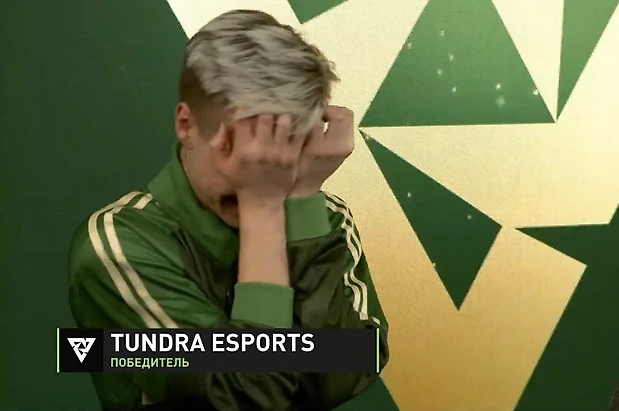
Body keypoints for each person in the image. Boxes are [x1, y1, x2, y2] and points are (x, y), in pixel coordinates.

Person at [68, 9, 389, 411]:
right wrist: (263, 208)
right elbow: (247, 396)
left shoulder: (326, 217)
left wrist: (303, 204)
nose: (261, 174)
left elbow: (341, 376)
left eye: (281, 149)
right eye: (241, 149)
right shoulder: (118, 244)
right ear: (187, 125)